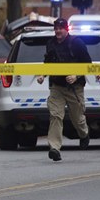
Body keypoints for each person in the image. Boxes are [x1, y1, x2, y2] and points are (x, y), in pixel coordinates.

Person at [36, 18, 91, 162]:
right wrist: (42, 75)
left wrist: (76, 75)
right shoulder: (51, 44)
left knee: (77, 118)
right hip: (57, 87)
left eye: (61, 28)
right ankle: (54, 148)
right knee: (55, 115)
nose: (58, 31)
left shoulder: (77, 43)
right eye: (56, 28)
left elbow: (88, 64)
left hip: (74, 87)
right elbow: (47, 63)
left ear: (67, 29)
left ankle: (84, 134)